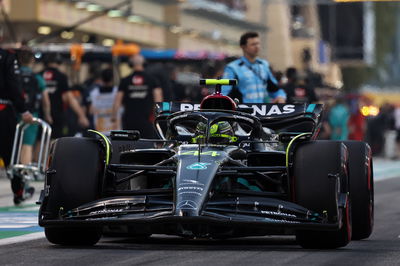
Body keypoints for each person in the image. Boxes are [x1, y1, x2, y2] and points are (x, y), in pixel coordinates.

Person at [0, 47, 34, 204]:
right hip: (3, 110)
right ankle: (19, 191)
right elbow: (13, 85)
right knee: (10, 155)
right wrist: (23, 109)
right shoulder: (7, 57)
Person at [221, 32, 286, 103]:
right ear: (243, 47)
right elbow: (224, 93)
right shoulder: (232, 68)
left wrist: (280, 97)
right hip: (241, 112)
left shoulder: (264, 65)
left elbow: (274, 89)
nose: (257, 46)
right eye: (253, 44)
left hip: (261, 111)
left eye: (258, 43)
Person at [112, 54, 163, 138]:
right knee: (147, 147)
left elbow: (117, 101)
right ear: (144, 63)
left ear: (130, 64)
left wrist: (113, 118)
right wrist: (158, 119)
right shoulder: (152, 80)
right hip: (147, 121)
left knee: (130, 147)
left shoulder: (125, 80)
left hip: (129, 121)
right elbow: (159, 101)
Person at [41, 53, 89, 139]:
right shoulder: (61, 76)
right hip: (56, 115)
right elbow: (69, 98)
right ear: (59, 62)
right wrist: (81, 115)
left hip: (39, 114)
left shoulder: (39, 75)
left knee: (39, 142)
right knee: (54, 143)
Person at [17, 48, 51, 165]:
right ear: (32, 61)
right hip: (31, 114)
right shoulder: (37, 78)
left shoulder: (12, 75)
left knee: (11, 141)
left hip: (12, 112)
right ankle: (24, 175)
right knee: (27, 144)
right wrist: (47, 115)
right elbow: (45, 100)